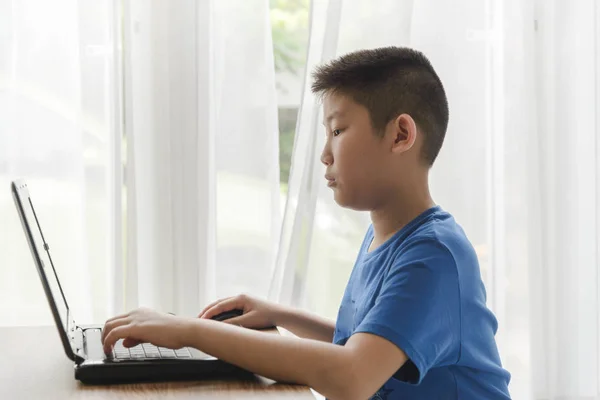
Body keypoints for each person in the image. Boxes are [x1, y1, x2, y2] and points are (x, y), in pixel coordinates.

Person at [101, 46, 511, 399]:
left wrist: (190, 332)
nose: (325, 155)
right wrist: (279, 315)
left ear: (401, 135)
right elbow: (371, 343)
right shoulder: (387, 236)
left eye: (338, 130)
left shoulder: (434, 254)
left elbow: (352, 376)